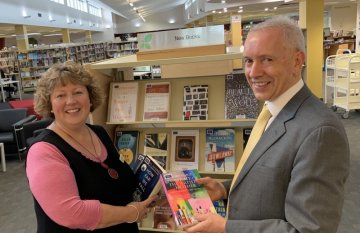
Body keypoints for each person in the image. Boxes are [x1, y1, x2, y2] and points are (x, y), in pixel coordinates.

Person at [184, 16, 350, 233]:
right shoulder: (272, 109)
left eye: (267, 60)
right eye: (249, 61)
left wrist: (227, 228)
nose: (253, 73)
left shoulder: (320, 132)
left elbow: (309, 230)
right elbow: (274, 178)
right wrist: (225, 189)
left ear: (297, 61)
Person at [26, 61, 157, 233]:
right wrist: (130, 213)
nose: (71, 101)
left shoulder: (99, 133)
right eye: (60, 95)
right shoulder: (44, 151)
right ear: (49, 104)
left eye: (78, 92)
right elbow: (72, 214)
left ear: (90, 97)